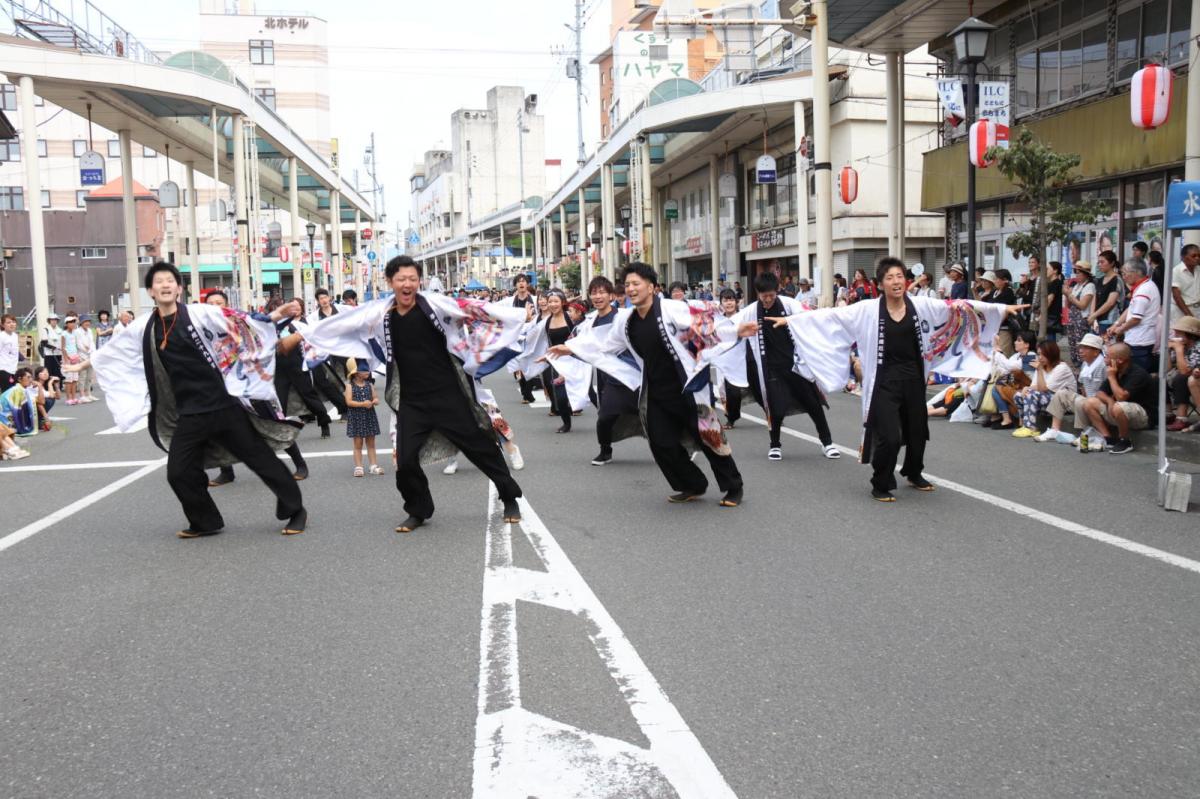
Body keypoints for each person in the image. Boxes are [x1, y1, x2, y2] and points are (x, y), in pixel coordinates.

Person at [299, 255, 525, 533]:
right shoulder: (381, 314)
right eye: (401, 279)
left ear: (419, 281)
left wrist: (516, 317)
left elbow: (476, 310)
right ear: (390, 281)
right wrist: (301, 336)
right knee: (405, 461)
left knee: (480, 447)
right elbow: (342, 325)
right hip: (412, 400)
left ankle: (509, 496)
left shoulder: (437, 306)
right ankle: (418, 510)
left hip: (447, 394)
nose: (407, 284)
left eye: (412, 279)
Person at [773, 257, 1021, 501]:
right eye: (890, 277)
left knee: (918, 431)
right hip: (883, 383)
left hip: (913, 379)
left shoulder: (920, 306)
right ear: (881, 284)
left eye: (900, 276)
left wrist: (999, 310)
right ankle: (880, 482)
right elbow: (831, 316)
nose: (896, 281)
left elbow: (955, 306)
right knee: (890, 436)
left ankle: (913, 472)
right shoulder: (867, 309)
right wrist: (791, 321)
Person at [90, 261, 308, 538]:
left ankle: (296, 510)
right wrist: (81, 365)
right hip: (189, 413)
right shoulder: (144, 326)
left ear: (179, 288)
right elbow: (112, 353)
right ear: (151, 291)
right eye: (159, 282)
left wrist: (275, 314)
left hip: (223, 406)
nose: (165, 285)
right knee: (178, 472)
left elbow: (241, 321)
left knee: (261, 460)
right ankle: (205, 521)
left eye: (170, 280)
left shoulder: (200, 313)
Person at [547, 262, 753, 507]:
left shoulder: (671, 309)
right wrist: (570, 348)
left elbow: (706, 325)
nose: (631, 289)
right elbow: (603, 343)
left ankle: (733, 486)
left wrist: (735, 330)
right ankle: (693, 484)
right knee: (660, 442)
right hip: (655, 390)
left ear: (652, 287)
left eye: (636, 283)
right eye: (627, 285)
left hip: (688, 387)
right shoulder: (626, 321)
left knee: (710, 437)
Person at [205, 290, 319, 487]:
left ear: (226, 304)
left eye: (219, 302)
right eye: (210, 303)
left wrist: (282, 314)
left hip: (251, 382)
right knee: (219, 428)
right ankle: (226, 472)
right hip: (222, 386)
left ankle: (300, 464)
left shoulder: (240, 320)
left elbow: (264, 323)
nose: (215, 306)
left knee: (273, 421)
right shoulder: (201, 328)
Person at [725, 271, 838, 461]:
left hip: (797, 365)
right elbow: (729, 327)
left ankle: (827, 443)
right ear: (758, 293)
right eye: (764, 296)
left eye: (771, 295)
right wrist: (737, 331)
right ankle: (775, 445)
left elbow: (811, 319)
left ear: (777, 291)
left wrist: (791, 322)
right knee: (775, 408)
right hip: (771, 369)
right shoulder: (751, 311)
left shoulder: (789, 305)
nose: (768, 299)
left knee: (813, 404)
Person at [1079, 342, 1155, 453]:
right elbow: (1099, 393)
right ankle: (1108, 438)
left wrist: (1111, 378)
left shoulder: (1138, 373)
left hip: (1143, 418)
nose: (1105, 360)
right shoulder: (1115, 371)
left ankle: (1124, 441)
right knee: (1089, 402)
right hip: (1118, 411)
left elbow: (1121, 397)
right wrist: (1109, 401)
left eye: (1108, 357)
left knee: (1118, 407)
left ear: (1120, 360)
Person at [1037, 332, 1107, 444]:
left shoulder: (1102, 365)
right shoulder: (1085, 364)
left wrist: (1089, 402)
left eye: (1085, 348)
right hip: (1088, 400)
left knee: (1081, 402)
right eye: (1081, 347)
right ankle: (1054, 430)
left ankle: (1085, 433)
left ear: (1096, 351)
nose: (1081, 351)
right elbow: (1083, 387)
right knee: (1061, 393)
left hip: (1100, 403)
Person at [1011, 340, 1077, 437]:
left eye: (1043, 354)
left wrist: (1039, 370)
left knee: (1031, 395)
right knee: (1019, 395)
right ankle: (1024, 425)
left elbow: (1043, 389)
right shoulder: (1042, 366)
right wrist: (1027, 388)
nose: (1040, 357)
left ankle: (1031, 428)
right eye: (1038, 354)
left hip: (1065, 404)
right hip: (1048, 400)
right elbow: (1035, 386)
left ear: (1052, 354)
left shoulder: (1061, 368)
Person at [1106, 258, 1160, 373]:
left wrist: (1120, 329)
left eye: (1125, 273)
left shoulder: (1144, 290)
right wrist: (1117, 324)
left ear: (1136, 273)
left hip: (1140, 340)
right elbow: (1131, 309)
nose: (1124, 277)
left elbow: (1136, 319)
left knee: (1137, 373)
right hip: (1138, 338)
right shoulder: (1143, 287)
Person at [344, 364, 384, 476]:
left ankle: (373, 466)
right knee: (358, 444)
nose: (368, 371)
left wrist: (375, 401)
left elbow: (375, 397)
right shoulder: (349, 386)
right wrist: (363, 404)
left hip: (369, 416)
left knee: (371, 443)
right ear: (356, 373)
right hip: (356, 417)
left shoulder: (369, 385)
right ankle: (358, 467)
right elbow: (348, 402)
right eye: (364, 370)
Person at [1166, 316, 1200, 431]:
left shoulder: (1197, 347)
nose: (1175, 336)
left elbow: (1185, 371)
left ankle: (1181, 418)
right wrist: (1168, 350)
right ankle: (1168, 414)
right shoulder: (1180, 346)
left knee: (1181, 378)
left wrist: (1179, 350)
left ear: (1189, 335)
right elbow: (1168, 368)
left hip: (1192, 376)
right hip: (1179, 373)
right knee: (1158, 378)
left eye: (1179, 333)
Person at [1064, 259, 1096, 365]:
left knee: (1081, 343)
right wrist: (1067, 294)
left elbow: (1082, 305)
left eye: (1078, 273)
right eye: (1075, 272)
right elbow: (1069, 305)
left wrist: (1070, 295)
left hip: (1081, 320)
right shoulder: (1076, 286)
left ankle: (1082, 364)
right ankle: (1075, 363)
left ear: (1086, 274)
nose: (1076, 275)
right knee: (1072, 343)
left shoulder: (1089, 286)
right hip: (1072, 319)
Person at [1089, 250, 1124, 334]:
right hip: (1097, 320)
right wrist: (1092, 315)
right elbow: (1094, 298)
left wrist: (1094, 315)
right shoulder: (1099, 280)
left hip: (1109, 321)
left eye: (1102, 262)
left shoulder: (1116, 279)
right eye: (1098, 262)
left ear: (1112, 263)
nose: (1099, 264)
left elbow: (1110, 303)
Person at [1170, 243, 1200, 321]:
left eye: (1199, 255)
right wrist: (1190, 316)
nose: (1197, 258)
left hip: (1197, 310)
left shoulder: (1198, 269)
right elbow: (1177, 296)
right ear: (1184, 257)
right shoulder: (1176, 271)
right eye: (1194, 256)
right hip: (1180, 311)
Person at [59, 316, 82, 405]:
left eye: (73, 322)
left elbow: (76, 345)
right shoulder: (64, 334)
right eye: (70, 322)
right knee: (68, 379)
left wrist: (77, 356)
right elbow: (63, 347)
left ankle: (74, 397)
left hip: (75, 357)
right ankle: (68, 398)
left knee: (75, 379)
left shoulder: (75, 333)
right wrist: (66, 359)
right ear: (66, 324)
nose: (72, 324)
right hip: (67, 358)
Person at [75, 316, 97, 402]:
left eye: (88, 321)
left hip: (90, 356)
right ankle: (82, 395)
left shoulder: (90, 331)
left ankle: (88, 394)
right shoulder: (77, 331)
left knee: (89, 376)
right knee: (82, 376)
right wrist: (86, 350)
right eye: (85, 321)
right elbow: (79, 344)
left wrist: (92, 351)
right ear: (81, 323)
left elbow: (92, 342)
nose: (87, 323)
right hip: (81, 356)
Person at [39, 312, 63, 379]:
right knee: (49, 372)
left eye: (55, 320)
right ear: (49, 321)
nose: (54, 321)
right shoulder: (46, 330)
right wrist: (53, 347)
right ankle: (49, 385)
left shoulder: (60, 330)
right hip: (49, 355)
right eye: (52, 320)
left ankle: (59, 384)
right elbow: (44, 343)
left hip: (59, 354)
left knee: (58, 372)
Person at [0, 313, 19, 389]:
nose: (12, 324)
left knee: (14, 392)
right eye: (8, 322)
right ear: (2, 325)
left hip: (13, 369)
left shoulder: (15, 335)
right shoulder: (1, 336)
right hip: (3, 369)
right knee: (7, 392)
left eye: (13, 322)